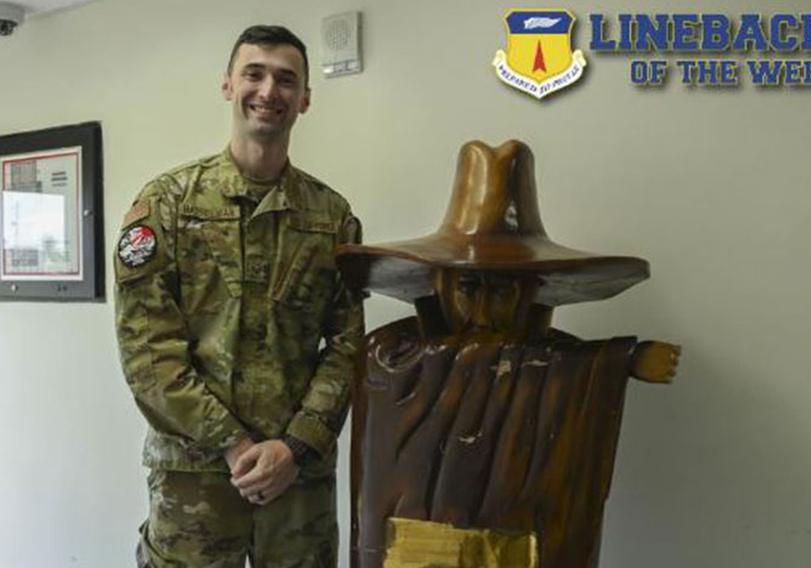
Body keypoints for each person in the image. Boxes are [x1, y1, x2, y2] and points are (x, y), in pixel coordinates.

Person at [335, 140, 680, 567]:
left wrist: (620, 362)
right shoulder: (390, 358)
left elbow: (553, 365)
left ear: (527, 295)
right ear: (438, 286)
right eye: (467, 288)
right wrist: (620, 359)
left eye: (501, 292)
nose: (482, 309)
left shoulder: (557, 360)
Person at [114, 25, 363, 567]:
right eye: (255, 73)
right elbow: (148, 353)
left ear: (305, 99)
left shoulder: (331, 217)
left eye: (286, 79)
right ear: (228, 85)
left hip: (299, 484)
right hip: (195, 480)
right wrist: (235, 445)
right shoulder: (167, 205)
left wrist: (293, 447)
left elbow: (347, 348)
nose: (268, 91)